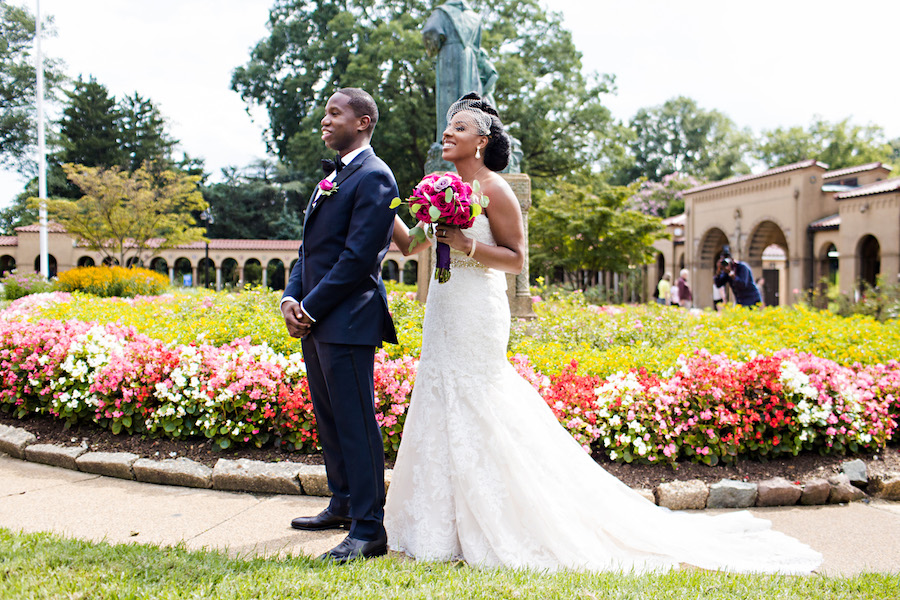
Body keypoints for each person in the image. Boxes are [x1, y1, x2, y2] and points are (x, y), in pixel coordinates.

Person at [384, 93, 821, 573]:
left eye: (460, 128)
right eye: (448, 126)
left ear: (482, 141)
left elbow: (516, 259)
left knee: (478, 399)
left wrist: (465, 243)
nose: (448, 133)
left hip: (478, 311)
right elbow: (412, 248)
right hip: (444, 308)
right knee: (439, 395)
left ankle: (508, 517)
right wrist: (381, 204)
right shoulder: (441, 187)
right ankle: (438, 524)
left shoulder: (496, 190)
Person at [281, 87, 399, 563]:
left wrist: (310, 307)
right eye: (326, 113)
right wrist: (291, 296)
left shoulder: (375, 178)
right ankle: (344, 503)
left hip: (348, 319)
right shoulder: (331, 176)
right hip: (317, 318)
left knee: (355, 423)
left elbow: (357, 259)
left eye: (335, 113)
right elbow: (310, 250)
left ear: (363, 122)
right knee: (330, 419)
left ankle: (370, 529)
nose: (325, 121)